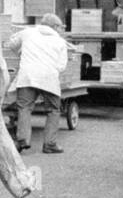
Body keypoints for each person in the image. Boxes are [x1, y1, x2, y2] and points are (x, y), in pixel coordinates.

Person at [5, 12, 74, 154]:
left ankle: (22, 140)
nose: (61, 30)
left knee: (24, 108)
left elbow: (10, 44)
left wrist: (20, 52)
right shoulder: (60, 42)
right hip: (49, 78)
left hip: (27, 76)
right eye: (60, 27)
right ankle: (50, 144)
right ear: (54, 26)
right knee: (53, 110)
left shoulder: (27, 33)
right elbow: (61, 66)